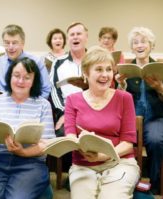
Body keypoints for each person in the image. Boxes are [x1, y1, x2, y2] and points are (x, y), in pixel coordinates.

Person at [0, 57, 55, 199]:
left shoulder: (43, 105)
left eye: (27, 77)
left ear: (34, 81)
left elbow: (46, 144)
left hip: (31, 162)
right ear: (9, 76)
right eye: (16, 76)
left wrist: (23, 152)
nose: (20, 81)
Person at [64, 46, 140, 199]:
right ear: (86, 73)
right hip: (83, 166)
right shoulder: (73, 100)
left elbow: (128, 143)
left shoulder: (125, 98)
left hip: (119, 162)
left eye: (109, 69)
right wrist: (78, 146)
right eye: (98, 69)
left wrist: (104, 156)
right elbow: (70, 136)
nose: (105, 75)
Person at [116, 27, 163, 195]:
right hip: (131, 119)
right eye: (135, 43)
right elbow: (119, 100)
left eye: (143, 42)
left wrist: (160, 88)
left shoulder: (160, 67)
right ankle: (125, 181)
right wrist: (121, 85)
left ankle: (154, 182)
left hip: (156, 117)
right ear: (132, 47)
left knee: (156, 140)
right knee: (117, 139)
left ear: (151, 45)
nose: (139, 45)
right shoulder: (126, 68)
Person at [0, 24, 51, 99]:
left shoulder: (36, 62)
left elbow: (46, 91)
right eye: (7, 43)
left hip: (29, 107)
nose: (10, 47)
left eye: (14, 43)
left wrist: (29, 104)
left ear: (22, 43)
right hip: (2, 107)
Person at [50, 22, 88, 136]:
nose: (75, 37)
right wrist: (65, 112)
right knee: (62, 135)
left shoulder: (94, 60)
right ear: (68, 39)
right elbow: (53, 90)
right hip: (67, 111)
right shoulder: (58, 62)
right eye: (72, 35)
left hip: (92, 110)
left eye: (79, 34)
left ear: (86, 37)